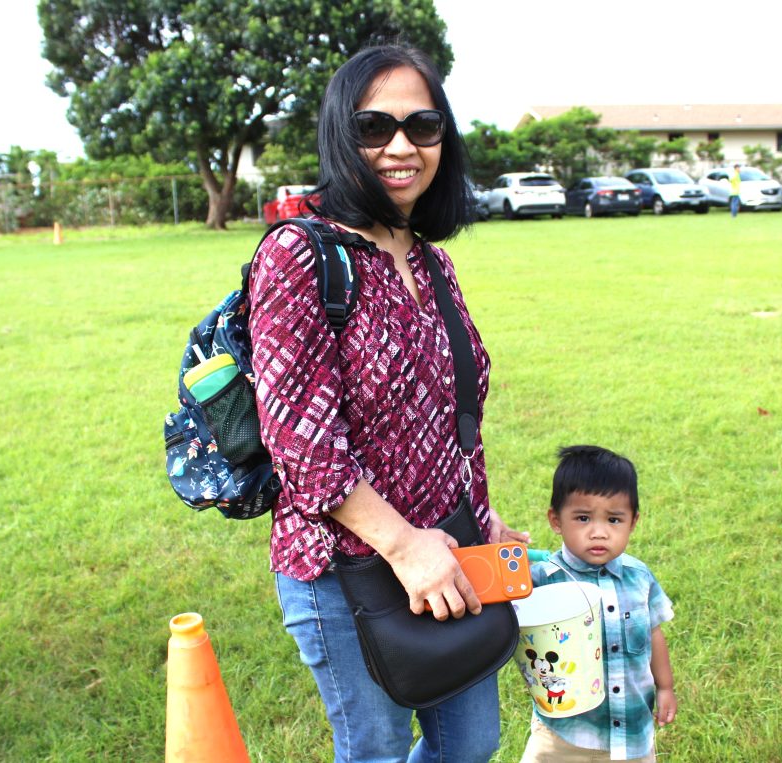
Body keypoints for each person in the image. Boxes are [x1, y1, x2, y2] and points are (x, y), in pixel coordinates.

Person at [248, 44, 527, 763]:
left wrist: (481, 513)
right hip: (346, 568)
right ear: (342, 136)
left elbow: (452, 409)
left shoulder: (432, 260)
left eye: (422, 126)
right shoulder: (300, 256)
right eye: (375, 127)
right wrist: (405, 547)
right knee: (375, 749)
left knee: (471, 745)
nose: (402, 147)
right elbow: (304, 447)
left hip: (450, 546)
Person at [522, 445, 677, 763]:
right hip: (562, 735)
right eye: (583, 518)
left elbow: (654, 634)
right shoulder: (541, 580)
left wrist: (665, 688)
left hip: (631, 733)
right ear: (556, 520)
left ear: (633, 522)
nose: (599, 533)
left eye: (614, 519)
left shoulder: (639, 577)